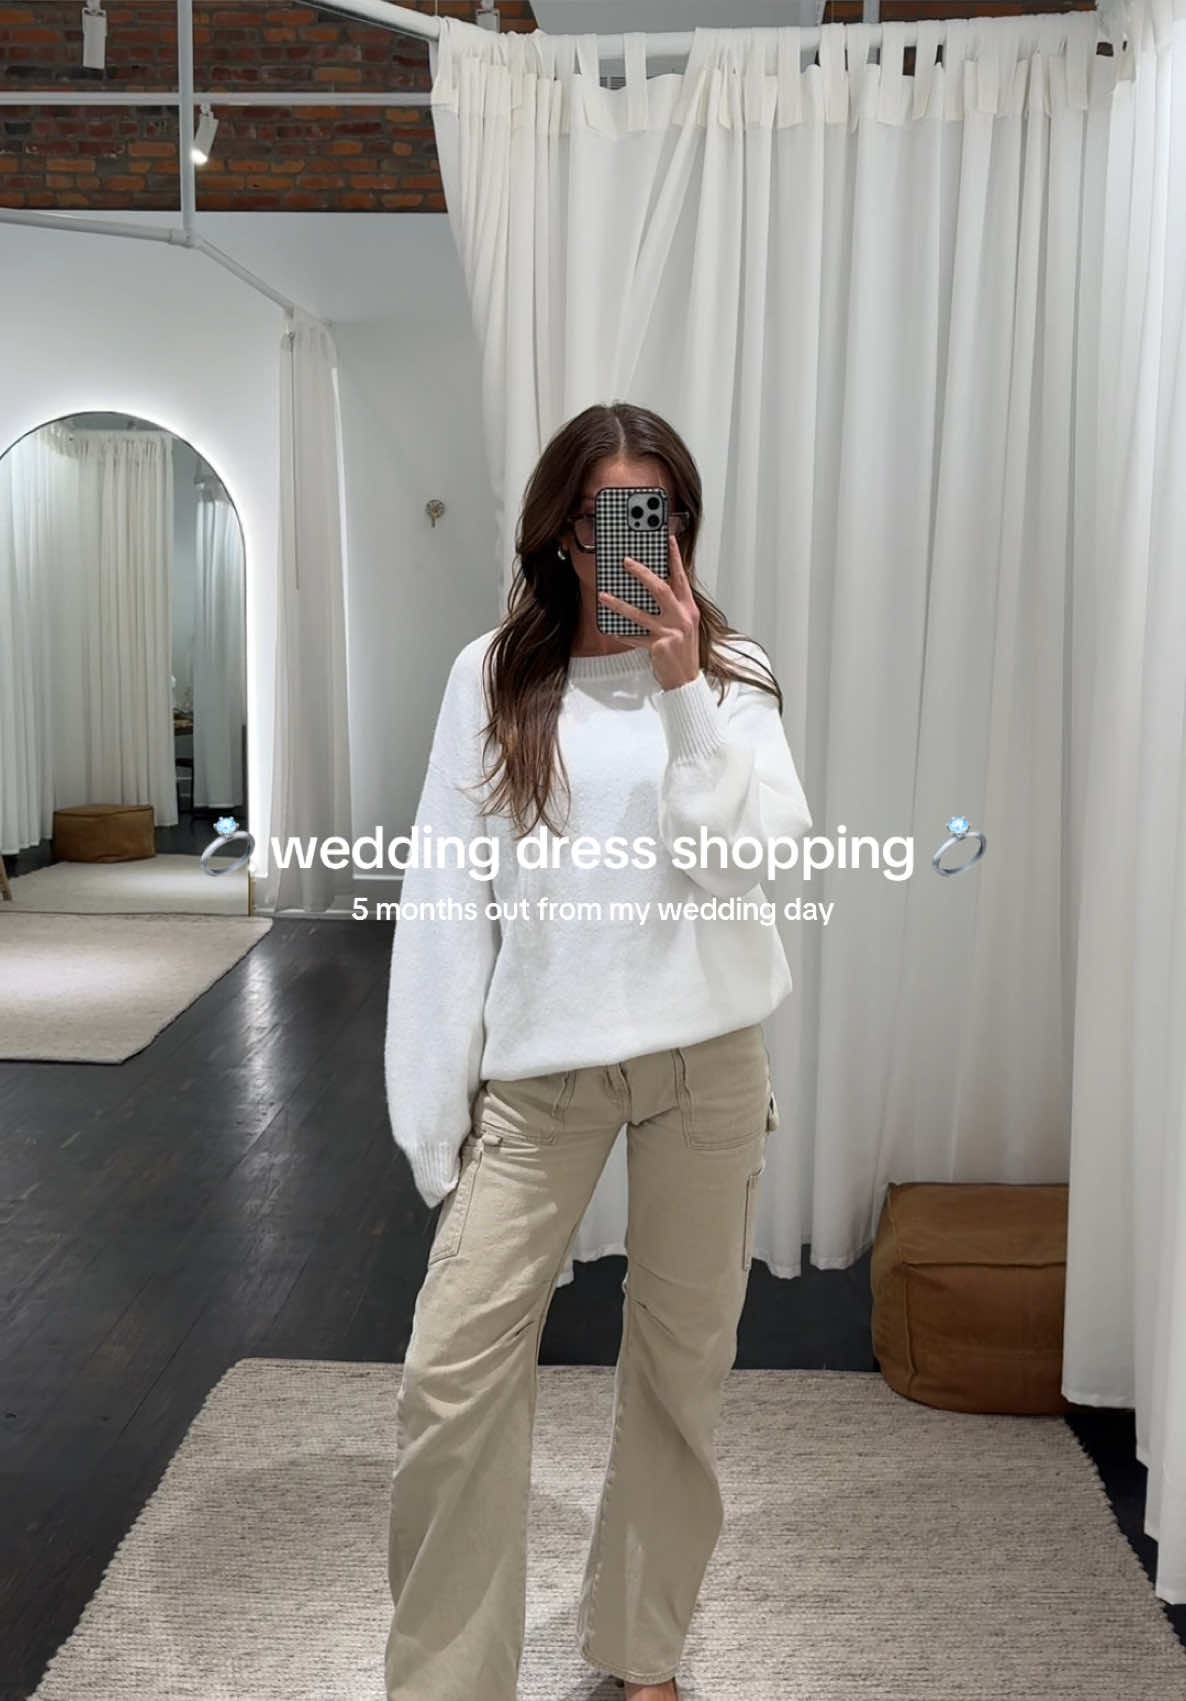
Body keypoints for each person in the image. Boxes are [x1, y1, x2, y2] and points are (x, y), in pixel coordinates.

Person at [384, 400, 812, 1701]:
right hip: (544, 1076)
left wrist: (684, 695)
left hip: (707, 1062)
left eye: (654, 514)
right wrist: (432, 1113)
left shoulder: (733, 676)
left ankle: (642, 1649)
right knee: (452, 1378)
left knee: (680, 1372)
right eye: (601, 517)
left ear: (681, 524)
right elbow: (447, 894)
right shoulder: (491, 676)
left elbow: (753, 866)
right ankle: (449, 1684)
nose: (627, 541)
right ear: (560, 533)